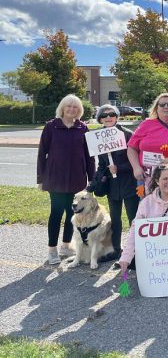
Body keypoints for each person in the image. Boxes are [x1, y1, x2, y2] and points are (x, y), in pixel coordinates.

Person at [37, 94, 95, 265]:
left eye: (75, 107)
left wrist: (91, 179)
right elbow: (42, 153)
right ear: (62, 108)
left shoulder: (83, 128)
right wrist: (41, 178)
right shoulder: (51, 126)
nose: (71, 109)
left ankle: (65, 245)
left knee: (73, 214)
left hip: (77, 179)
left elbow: (89, 155)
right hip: (55, 178)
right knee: (56, 213)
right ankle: (52, 249)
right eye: (68, 106)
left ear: (79, 110)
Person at [118, 163, 168, 273]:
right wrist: (126, 256)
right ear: (157, 181)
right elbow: (135, 229)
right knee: (131, 259)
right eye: (165, 179)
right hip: (154, 255)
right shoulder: (146, 203)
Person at [91, 104, 139, 261]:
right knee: (115, 219)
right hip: (112, 186)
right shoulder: (99, 137)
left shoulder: (127, 134)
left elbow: (136, 160)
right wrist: (97, 179)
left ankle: (135, 251)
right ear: (100, 119)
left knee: (133, 218)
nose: (108, 117)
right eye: (103, 116)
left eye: (111, 114)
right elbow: (102, 164)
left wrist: (120, 168)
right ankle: (115, 250)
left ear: (117, 116)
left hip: (129, 183)